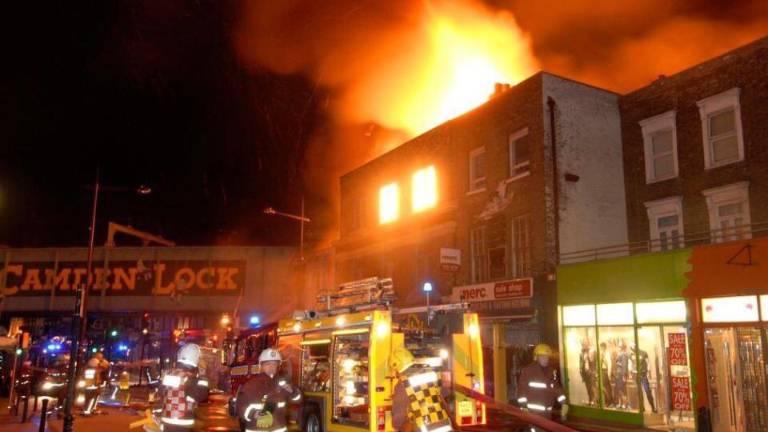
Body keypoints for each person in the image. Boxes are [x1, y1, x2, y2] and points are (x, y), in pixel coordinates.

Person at [235, 348, 301, 432]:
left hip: (279, 429)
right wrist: (253, 414)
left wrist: (293, 391)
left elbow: (297, 400)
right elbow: (240, 407)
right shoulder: (251, 385)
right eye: (268, 364)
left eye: (274, 364)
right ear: (261, 366)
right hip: (257, 429)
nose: (271, 367)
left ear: (278, 366)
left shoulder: (283, 383)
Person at [390, 346, 453, 432]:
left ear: (398, 367)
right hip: (444, 425)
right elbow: (446, 393)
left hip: (425, 428)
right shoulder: (432, 373)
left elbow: (399, 415)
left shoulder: (402, 384)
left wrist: (396, 425)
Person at [158, 343, 210, 431]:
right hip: (182, 422)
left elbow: (161, 392)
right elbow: (202, 396)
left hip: (166, 420)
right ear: (196, 360)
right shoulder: (191, 379)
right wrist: (203, 375)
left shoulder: (169, 374)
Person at [516, 344, 566, 431]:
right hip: (533, 413)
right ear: (536, 357)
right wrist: (523, 407)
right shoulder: (528, 371)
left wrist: (564, 403)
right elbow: (521, 390)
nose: (545, 359)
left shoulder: (552, 371)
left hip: (547, 414)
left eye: (547, 357)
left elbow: (557, 388)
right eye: (542, 356)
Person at [631, 345, 656, 413]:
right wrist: (631, 372)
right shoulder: (632, 354)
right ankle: (642, 407)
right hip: (636, 374)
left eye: (633, 348)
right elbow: (631, 364)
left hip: (643, 374)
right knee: (639, 392)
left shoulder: (643, 353)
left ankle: (653, 407)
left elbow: (648, 363)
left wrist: (648, 372)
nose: (632, 349)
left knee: (647, 391)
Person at [578, 339, 597, 405]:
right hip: (585, 372)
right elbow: (581, 363)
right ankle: (590, 400)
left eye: (585, 344)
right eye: (583, 344)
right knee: (588, 387)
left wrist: (595, 372)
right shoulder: (581, 353)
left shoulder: (593, 351)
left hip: (591, 372)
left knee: (593, 387)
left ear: (588, 344)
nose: (584, 345)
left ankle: (595, 401)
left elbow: (596, 362)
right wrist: (581, 371)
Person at [598, 342, 614, 407]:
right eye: (601, 347)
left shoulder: (607, 354)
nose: (601, 348)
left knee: (606, 387)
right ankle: (607, 401)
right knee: (604, 387)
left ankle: (609, 401)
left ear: (604, 347)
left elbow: (609, 364)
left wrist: (609, 374)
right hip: (602, 371)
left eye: (602, 347)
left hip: (605, 371)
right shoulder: (601, 354)